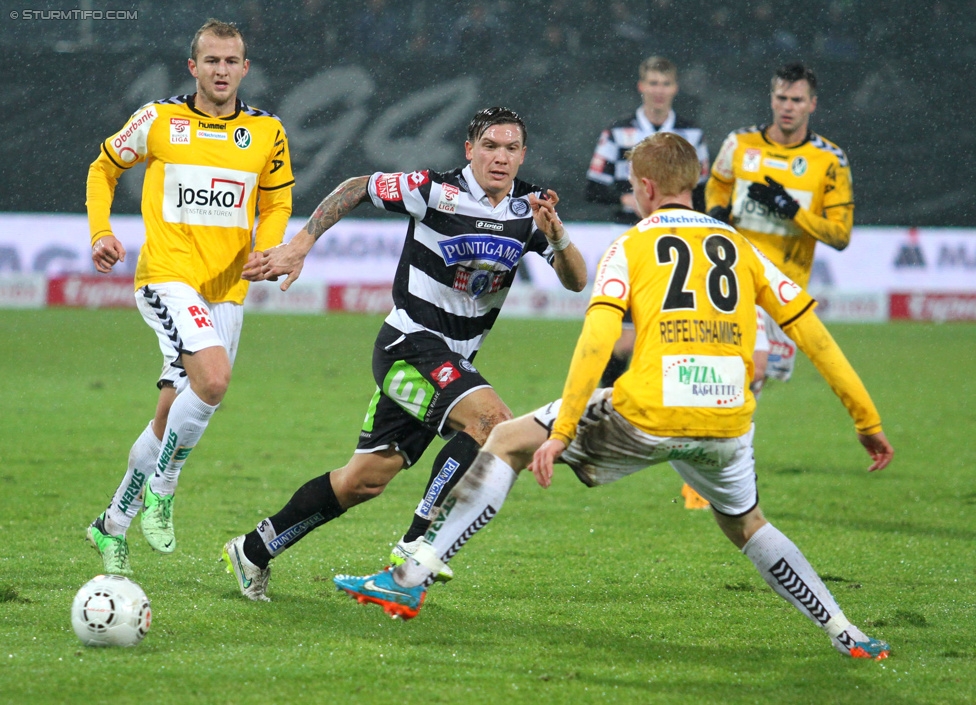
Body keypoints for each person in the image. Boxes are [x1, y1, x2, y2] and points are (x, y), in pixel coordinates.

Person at [334, 132, 894, 661]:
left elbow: (598, 338)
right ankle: (845, 630)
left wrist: (563, 429)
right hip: (728, 419)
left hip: (650, 410)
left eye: (631, 185)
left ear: (646, 188)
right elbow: (812, 334)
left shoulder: (632, 245)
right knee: (747, 522)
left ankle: (411, 577)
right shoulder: (740, 246)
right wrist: (865, 422)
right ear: (693, 182)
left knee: (505, 440)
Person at [221, 107, 588, 601]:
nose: (499, 158)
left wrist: (557, 234)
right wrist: (300, 245)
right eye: (489, 146)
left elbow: (576, 280)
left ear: (522, 155)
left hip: (453, 365)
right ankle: (414, 549)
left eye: (510, 148)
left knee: (362, 481)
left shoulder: (529, 210)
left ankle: (252, 550)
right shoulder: (434, 190)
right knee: (492, 424)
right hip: (406, 346)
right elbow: (356, 186)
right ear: (469, 150)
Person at [84, 19, 294, 575]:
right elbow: (104, 168)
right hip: (166, 275)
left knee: (168, 417)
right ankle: (165, 488)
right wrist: (101, 231)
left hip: (227, 288)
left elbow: (275, 205)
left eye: (232, 62)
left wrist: (269, 251)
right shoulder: (158, 119)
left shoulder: (267, 132)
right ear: (192, 67)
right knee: (215, 380)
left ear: (245, 69)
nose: (221, 71)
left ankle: (110, 525)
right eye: (211, 61)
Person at [585, 56, 711, 509]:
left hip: (674, 249)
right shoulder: (618, 132)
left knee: (656, 338)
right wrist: (624, 195)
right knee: (618, 341)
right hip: (629, 241)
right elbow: (593, 184)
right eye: (652, 82)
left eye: (666, 83)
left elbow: (705, 190)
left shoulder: (692, 136)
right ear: (642, 86)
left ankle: (636, 421)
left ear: (675, 88)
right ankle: (605, 418)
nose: (658, 90)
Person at [706, 62, 853, 398]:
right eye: (782, 97)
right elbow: (718, 183)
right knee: (736, 374)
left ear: (812, 104)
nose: (788, 107)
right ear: (771, 98)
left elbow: (840, 236)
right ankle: (727, 447)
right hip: (735, 281)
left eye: (797, 100)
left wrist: (791, 210)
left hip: (785, 292)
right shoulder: (739, 143)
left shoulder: (830, 160)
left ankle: (729, 448)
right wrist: (715, 210)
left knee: (752, 385)